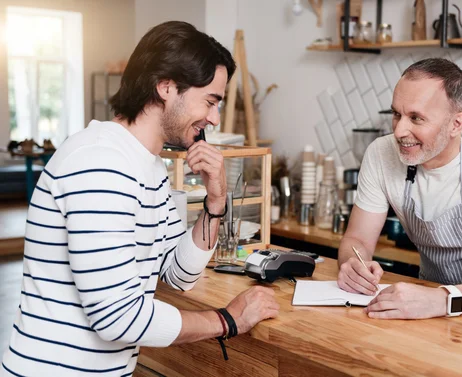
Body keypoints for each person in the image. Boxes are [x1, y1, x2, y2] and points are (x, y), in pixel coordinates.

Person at [1, 21, 279, 377]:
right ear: (165, 86)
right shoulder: (101, 163)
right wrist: (228, 320)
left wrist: (216, 200)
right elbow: (118, 318)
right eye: (210, 101)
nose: (213, 118)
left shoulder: (145, 167)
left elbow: (178, 275)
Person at [337, 58, 462, 320]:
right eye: (396, 114)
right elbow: (357, 240)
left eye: (416, 118)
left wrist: (442, 299)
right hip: (430, 310)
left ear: (456, 124)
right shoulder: (381, 154)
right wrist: (352, 264)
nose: (400, 131)